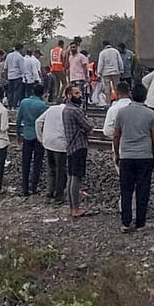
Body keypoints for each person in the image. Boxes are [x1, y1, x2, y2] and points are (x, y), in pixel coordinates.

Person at [112, 86, 154, 233]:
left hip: (126, 156)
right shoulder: (151, 114)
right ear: (145, 96)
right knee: (143, 189)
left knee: (126, 190)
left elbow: (116, 135)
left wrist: (117, 154)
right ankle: (140, 222)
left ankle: (126, 222)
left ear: (131, 95)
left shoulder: (121, 113)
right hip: (145, 157)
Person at [63, 85, 94, 217]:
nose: (80, 95)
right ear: (69, 95)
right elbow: (88, 126)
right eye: (76, 93)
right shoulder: (76, 111)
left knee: (71, 176)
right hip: (79, 146)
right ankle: (76, 208)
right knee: (76, 177)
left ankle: (71, 207)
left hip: (70, 147)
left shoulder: (65, 109)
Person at [16, 84, 48, 196]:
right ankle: (34, 187)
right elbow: (44, 123)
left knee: (26, 162)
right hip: (38, 137)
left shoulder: (24, 102)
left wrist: (18, 133)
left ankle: (24, 187)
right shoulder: (42, 105)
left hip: (26, 134)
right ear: (42, 93)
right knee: (37, 163)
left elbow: (19, 119)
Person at [36, 96, 68, 203]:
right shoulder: (66, 111)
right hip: (60, 144)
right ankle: (59, 195)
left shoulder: (51, 109)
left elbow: (38, 122)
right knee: (61, 169)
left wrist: (41, 138)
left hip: (48, 142)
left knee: (51, 169)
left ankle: (49, 192)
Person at [5, 43, 25, 109]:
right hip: (17, 76)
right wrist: (24, 76)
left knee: (10, 91)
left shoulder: (9, 55)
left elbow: (6, 67)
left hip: (10, 75)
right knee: (17, 91)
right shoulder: (20, 57)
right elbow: (22, 69)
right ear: (21, 49)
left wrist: (6, 75)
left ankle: (9, 105)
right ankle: (14, 105)